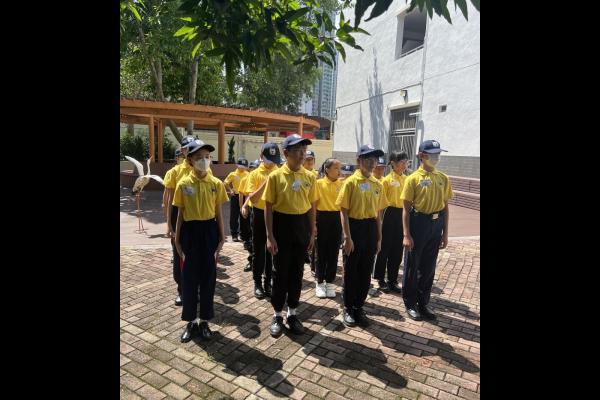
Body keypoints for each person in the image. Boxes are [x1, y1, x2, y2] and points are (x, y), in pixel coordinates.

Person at [173, 139, 228, 342]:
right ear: (190, 161)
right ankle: (191, 321)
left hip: (209, 232)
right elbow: (180, 213)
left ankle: (204, 320)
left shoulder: (216, 184)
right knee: (189, 279)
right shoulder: (183, 184)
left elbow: (218, 212)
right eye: (198, 157)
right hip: (189, 232)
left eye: (207, 157)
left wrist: (222, 237)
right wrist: (177, 239)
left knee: (208, 278)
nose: (204, 160)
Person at [263, 134, 317, 336]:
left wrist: (312, 232)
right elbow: (268, 207)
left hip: (301, 226)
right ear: (286, 153)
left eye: (304, 150)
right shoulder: (275, 176)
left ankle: (292, 313)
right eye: (297, 151)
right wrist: (270, 236)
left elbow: (312, 206)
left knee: (297, 272)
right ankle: (277, 314)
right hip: (282, 226)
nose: (302, 154)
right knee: (280, 273)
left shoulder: (310, 177)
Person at [401, 140, 453, 321]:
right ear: (422, 156)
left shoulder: (443, 178)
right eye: (432, 154)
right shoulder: (413, 179)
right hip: (418, 223)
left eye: (438, 154)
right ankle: (410, 303)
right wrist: (406, 234)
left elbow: (445, 208)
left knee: (429, 267)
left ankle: (423, 302)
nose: (436, 157)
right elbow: (406, 209)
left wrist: (445, 233)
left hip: (436, 224)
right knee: (412, 265)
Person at [336, 145, 387, 328]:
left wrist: (379, 238)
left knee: (366, 272)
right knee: (351, 271)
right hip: (354, 227)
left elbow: (379, 214)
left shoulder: (378, 184)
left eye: (374, 160)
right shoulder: (350, 182)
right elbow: (343, 211)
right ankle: (348, 307)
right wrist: (347, 237)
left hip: (371, 228)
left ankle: (359, 306)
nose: (372, 163)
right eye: (368, 159)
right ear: (359, 161)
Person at [244, 144, 282, 299]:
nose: (272, 163)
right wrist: (266, 182)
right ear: (261, 157)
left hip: (275, 214)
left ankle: (268, 282)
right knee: (259, 250)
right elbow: (253, 198)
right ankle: (257, 282)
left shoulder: (279, 172)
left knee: (271, 250)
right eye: (269, 160)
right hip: (259, 214)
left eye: (274, 160)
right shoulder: (254, 174)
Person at [163, 136, 195, 306]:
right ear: (182, 150)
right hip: (178, 215)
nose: (189, 150)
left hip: (197, 216)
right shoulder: (174, 172)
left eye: (192, 147)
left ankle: (194, 288)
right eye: (186, 148)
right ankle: (181, 289)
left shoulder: (203, 169)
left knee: (196, 254)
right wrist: (169, 224)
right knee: (178, 253)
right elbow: (169, 200)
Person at [373, 151, 409, 293]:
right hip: (389, 213)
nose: (404, 165)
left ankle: (392, 280)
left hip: (402, 214)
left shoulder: (407, 179)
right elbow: (380, 205)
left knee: (397, 249)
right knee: (385, 248)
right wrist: (380, 222)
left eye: (406, 162)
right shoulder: (386, 180)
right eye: (401, 162)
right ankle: (380, 278)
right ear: (393, 163)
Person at [314, 158, 343, 298]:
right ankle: (319, 282)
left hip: (337, 219)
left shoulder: (342, 184)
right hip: (322, 218)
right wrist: (313, 223)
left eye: (340, 168)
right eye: (336, 168)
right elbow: (314, 205)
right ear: (327, 169)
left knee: (334, 252)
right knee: (321, 252)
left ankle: (330, 282)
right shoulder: (319, 183)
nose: (339, 171)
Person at [223, 158, 249, 242]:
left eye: (244, 167)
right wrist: (230, 190)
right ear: (237, 165)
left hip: (245, 196)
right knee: (234, 216)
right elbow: (225, 183)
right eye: (241, 166)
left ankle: (243, 234)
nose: (242, 168)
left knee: (244, 215)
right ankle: (234, 234)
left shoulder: (248, 174)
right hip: (235, 196)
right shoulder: (233, 174)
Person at [239, 160, 258, 271]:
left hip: (264, 210)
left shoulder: (262, 176)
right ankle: (251, 261)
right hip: (252, 209)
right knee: (251, 237)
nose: (253, 170)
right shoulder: (248, 178)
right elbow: (246, 195)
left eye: (255, 167)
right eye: (252, 168)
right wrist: (243, 206)